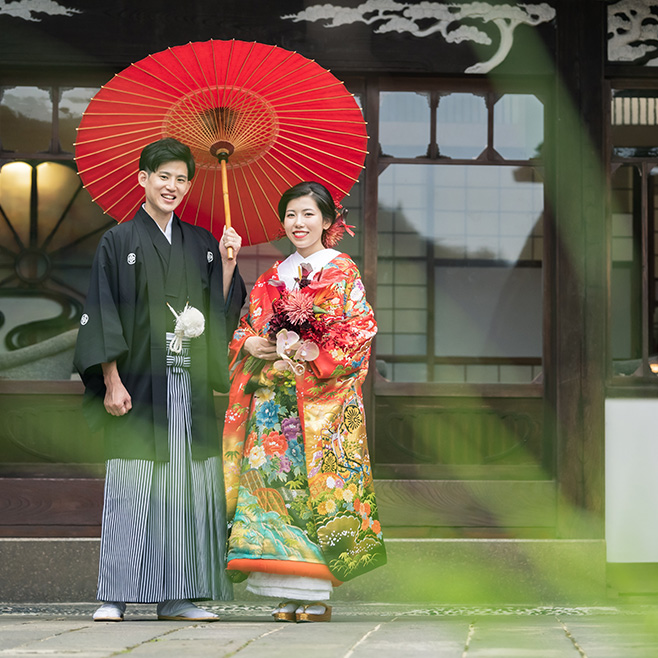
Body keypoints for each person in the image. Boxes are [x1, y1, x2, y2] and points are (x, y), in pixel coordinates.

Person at [74, 137, 246, 622]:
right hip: (137, 381)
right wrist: (111, 380)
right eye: (163, 176)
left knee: (186, 487)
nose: (172, 186)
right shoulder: (118, 241)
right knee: (134, 482)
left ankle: (179, 595)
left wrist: (229, 265)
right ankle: (116, 593)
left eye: (181, 179)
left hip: (188, 384)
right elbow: (103, 309)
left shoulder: (203, 243)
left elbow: (220, 310)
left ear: (189, 185)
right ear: (142, 179)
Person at [222, 181, 386, 623]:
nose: (299, 223)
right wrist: (253, 343)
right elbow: (244, 329)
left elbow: (358, 332)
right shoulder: (272, 277)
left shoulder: (341, 270)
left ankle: (315, 594)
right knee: (276, 493)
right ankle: (285, 590)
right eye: (291, 214)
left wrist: (312, 356)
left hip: (322, 404)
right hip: (276, 406)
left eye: (309, 214)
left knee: (317, 492)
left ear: (328, 221)